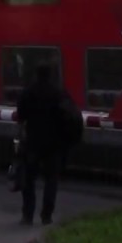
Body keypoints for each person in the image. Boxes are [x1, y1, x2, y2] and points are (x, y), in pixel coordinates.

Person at [15, 63, 71, 225]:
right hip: (53, 143)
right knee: (51, 180)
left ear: (36, 74)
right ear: (50, 75)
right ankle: (47, 215)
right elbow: (67, 116)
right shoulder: (59, 93)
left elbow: (20, 117)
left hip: (32, 141)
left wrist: (20, 137)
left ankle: (27, 215)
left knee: (29, 180)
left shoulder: (28, 92)